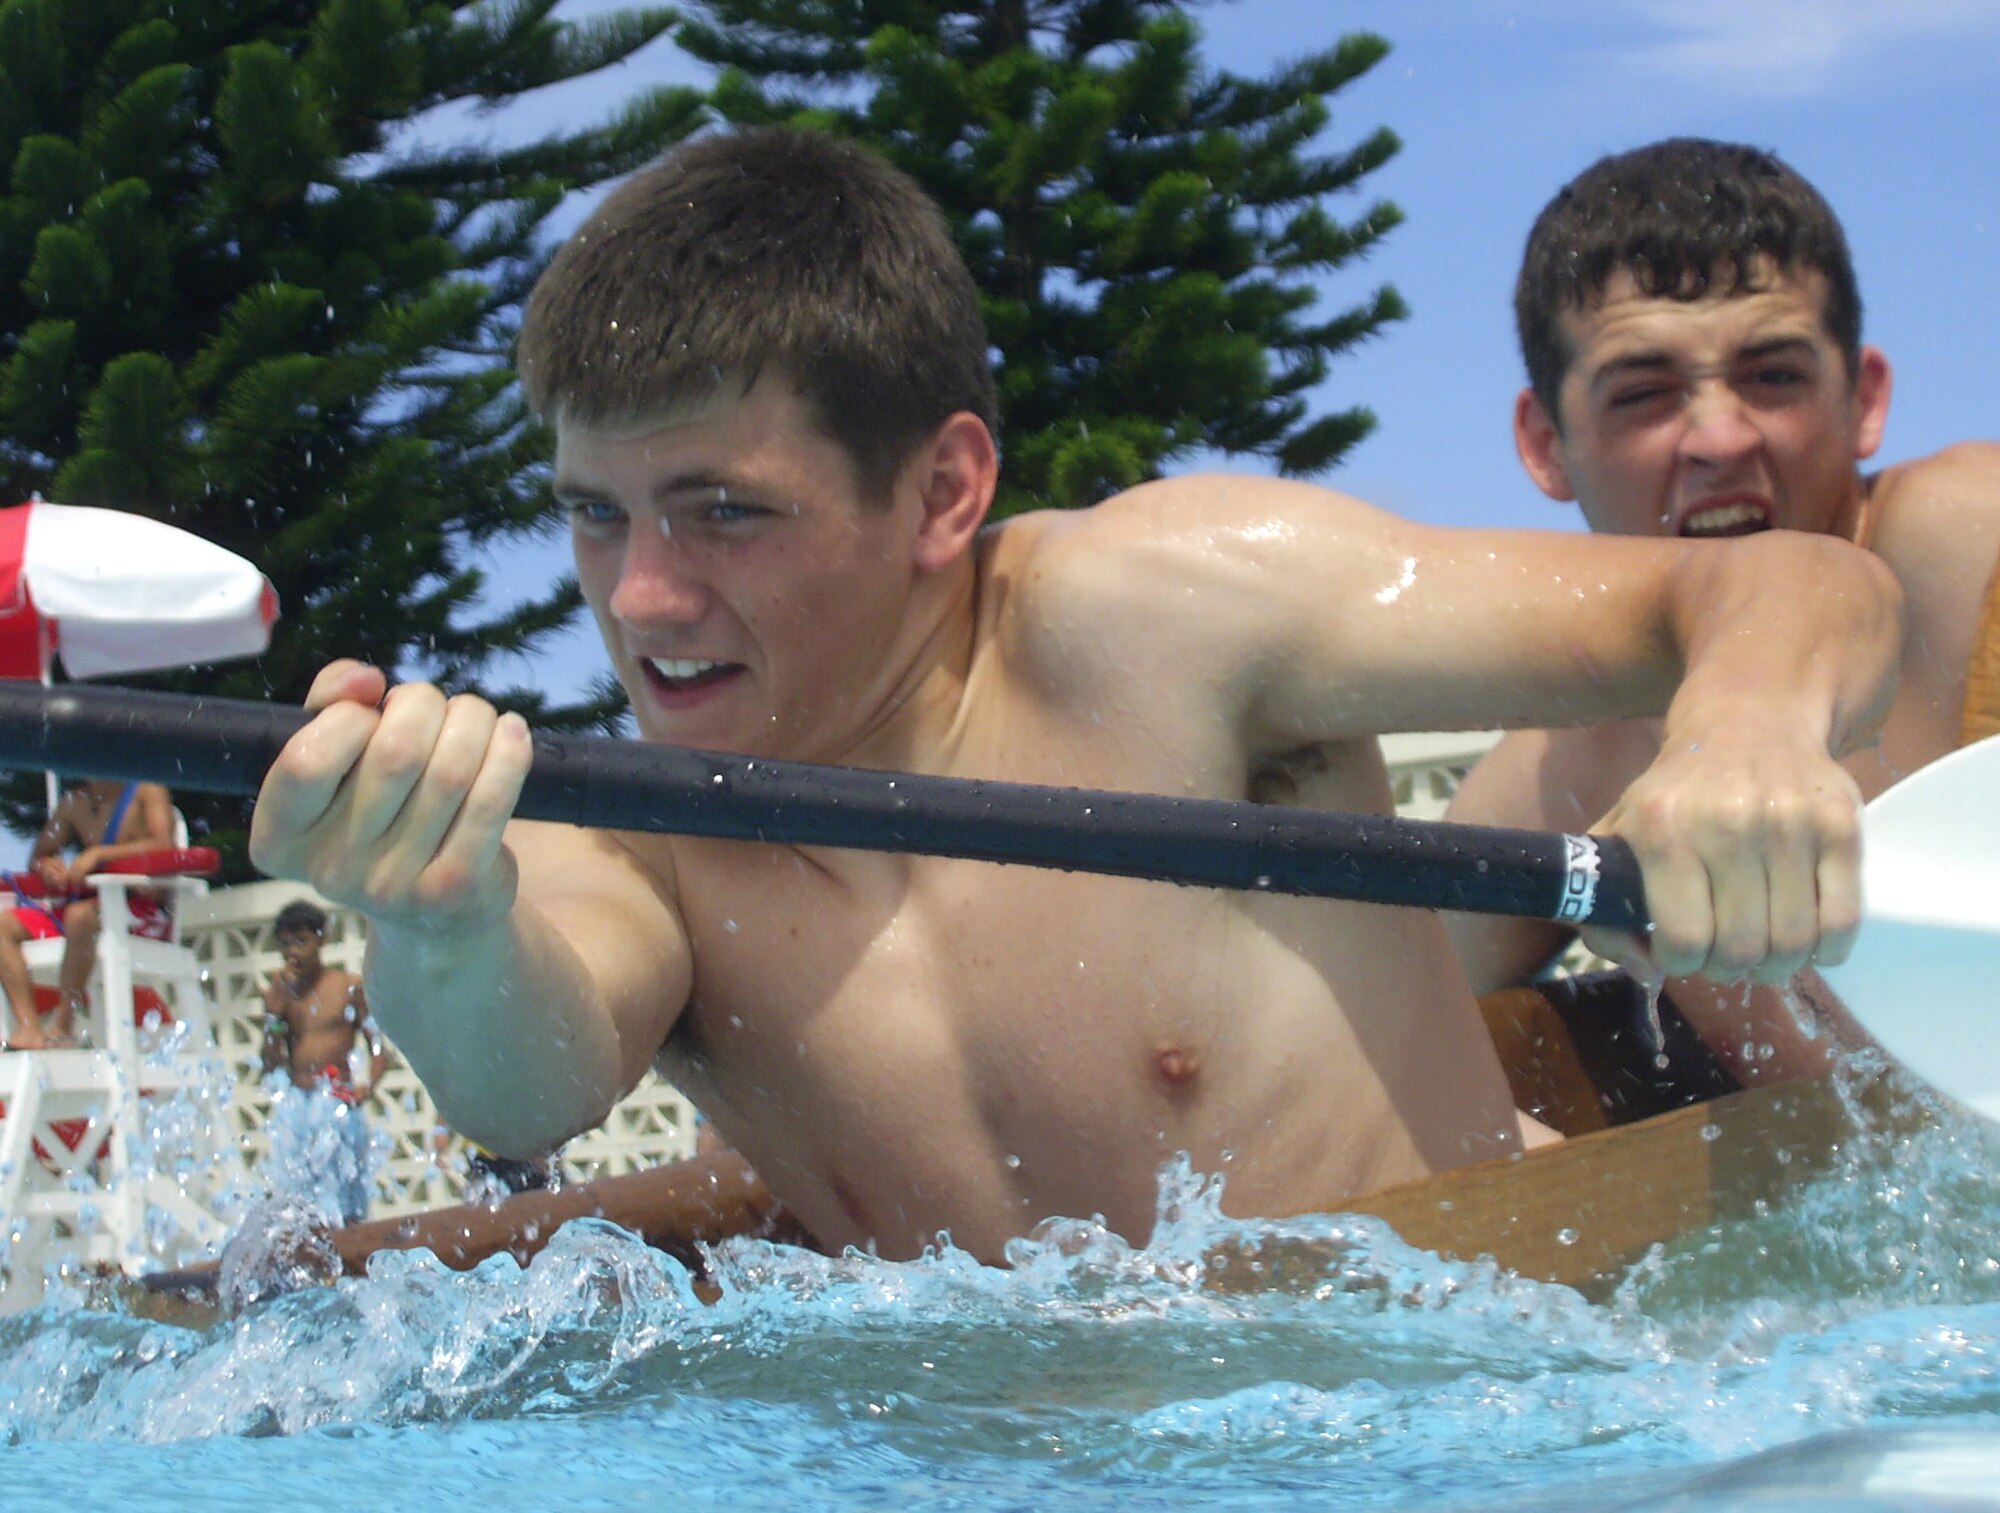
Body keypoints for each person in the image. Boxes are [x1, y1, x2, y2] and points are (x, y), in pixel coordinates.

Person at [248, 127, 1903, 1264]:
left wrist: (1746, 725)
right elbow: (519, 1078)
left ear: (944, 491)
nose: (644, 598)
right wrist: (446, 920)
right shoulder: (652, 842)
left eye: (725, 511)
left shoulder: (1165, 615)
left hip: (1495, 1422)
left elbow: (1788, 584)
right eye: (596, 516)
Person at [1445, 138, 2000, 1088]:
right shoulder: (1577, 751)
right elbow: (1380, 1001)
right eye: (1646, 394)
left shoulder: (1969, 542)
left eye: (1773, 376)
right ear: (1546, 444)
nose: (1719, 436)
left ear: (1863, 401)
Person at [0, 778, 176, 1050]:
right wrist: (47, 866)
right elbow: (39, 855)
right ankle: (29, 1027)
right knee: (3, 925)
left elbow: (165, 846)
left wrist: (100, 853)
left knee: (79, 916)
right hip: (88, 908)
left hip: (142, 911)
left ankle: (63, 1025)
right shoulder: (74, 802)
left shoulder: (148, 789)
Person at [260, 898, 384, 1223]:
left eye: (301, 941)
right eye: (285, 944)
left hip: (335, 1102)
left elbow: (379, 1047)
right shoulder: (282, 994)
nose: (293, 952)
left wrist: (367, 1087)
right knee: (296, 1204)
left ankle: (352, 1260)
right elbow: (271, 1065)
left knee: (345, 1199)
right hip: (298, 1105)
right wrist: (273, 1014)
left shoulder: (348, 986)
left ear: (321, 939)